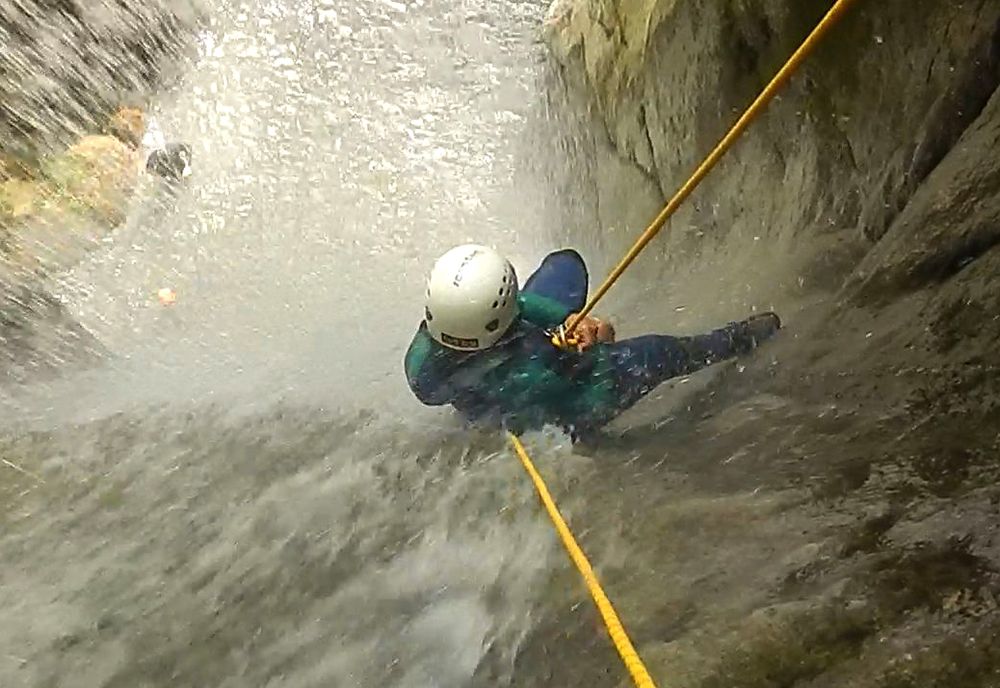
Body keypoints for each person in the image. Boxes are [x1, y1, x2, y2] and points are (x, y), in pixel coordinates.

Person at [404, 244, 781, 438]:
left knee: (564, 264)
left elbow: (519, 307)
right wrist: (591, 336)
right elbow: (599, 348)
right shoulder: (536, 372)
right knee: (658, 354)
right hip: (568, 399)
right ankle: (736, 339)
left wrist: (568, 320)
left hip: (512, 357)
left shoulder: (422, 360)